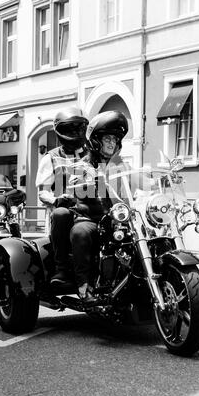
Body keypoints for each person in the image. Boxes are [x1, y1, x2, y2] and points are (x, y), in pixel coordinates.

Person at [67, 110, 130, 304]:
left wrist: (154, 182)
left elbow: (137, 181)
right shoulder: (84, 164)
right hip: (91, 218)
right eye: (108, 138)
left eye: (115, 139)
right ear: (96, 141)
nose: (112, 143)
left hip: (118, 218)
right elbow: (72, 184)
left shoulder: (120, 165)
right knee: (81, 233)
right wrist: (86, 181)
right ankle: (84, 285)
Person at [35, 107, 89, 284]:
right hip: (65, 212)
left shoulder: (93, 153)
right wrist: (55, 200)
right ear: (60, 131)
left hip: (90, 209)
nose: (75, 132)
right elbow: (42, 191)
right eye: (70, 128)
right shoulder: (50, 157)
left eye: (79, 128)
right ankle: (62, 268)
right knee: (61, 215)